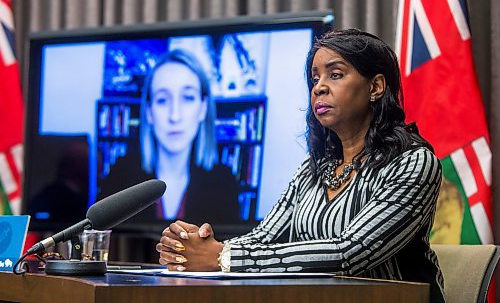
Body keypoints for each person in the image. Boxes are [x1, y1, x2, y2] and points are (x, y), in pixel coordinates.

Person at [156, 29, 445, 303]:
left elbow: (350, 252)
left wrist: (222, 258)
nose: (319, 87)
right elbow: (265, 237)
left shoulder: (413, 163)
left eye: (335, 74)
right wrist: (195, 248)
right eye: (315, 78)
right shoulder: (314, 168)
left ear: (376, 86)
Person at [100, 49, 240, 224]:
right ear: (149, 112)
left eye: (188, 98)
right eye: (162, 100)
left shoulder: (224, 183)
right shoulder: (120, 176)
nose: (175, 115)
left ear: (203, 108)